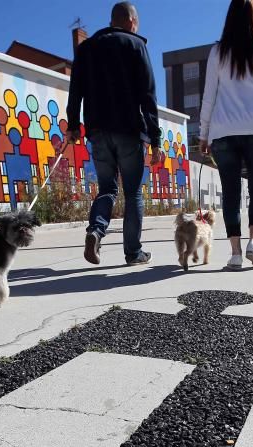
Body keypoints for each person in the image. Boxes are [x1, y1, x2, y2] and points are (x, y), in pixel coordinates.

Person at [64, 1, 164, 266]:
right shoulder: (136, 45)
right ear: (131, 21)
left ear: (112, 21)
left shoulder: (86, 49)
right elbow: (148, 96)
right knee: (132, 193)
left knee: (107, 188)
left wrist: (73, 125)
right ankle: (133, 252)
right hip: (129, 131)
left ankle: (95, 232)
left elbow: (76, 92)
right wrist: (156, 140)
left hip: (97, 132)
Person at [198, 0, 253, 270]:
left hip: (223, 131)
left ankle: (235, 253)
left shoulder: (218, 52)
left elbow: (209, 96)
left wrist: (204, 134)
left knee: (231, 192)